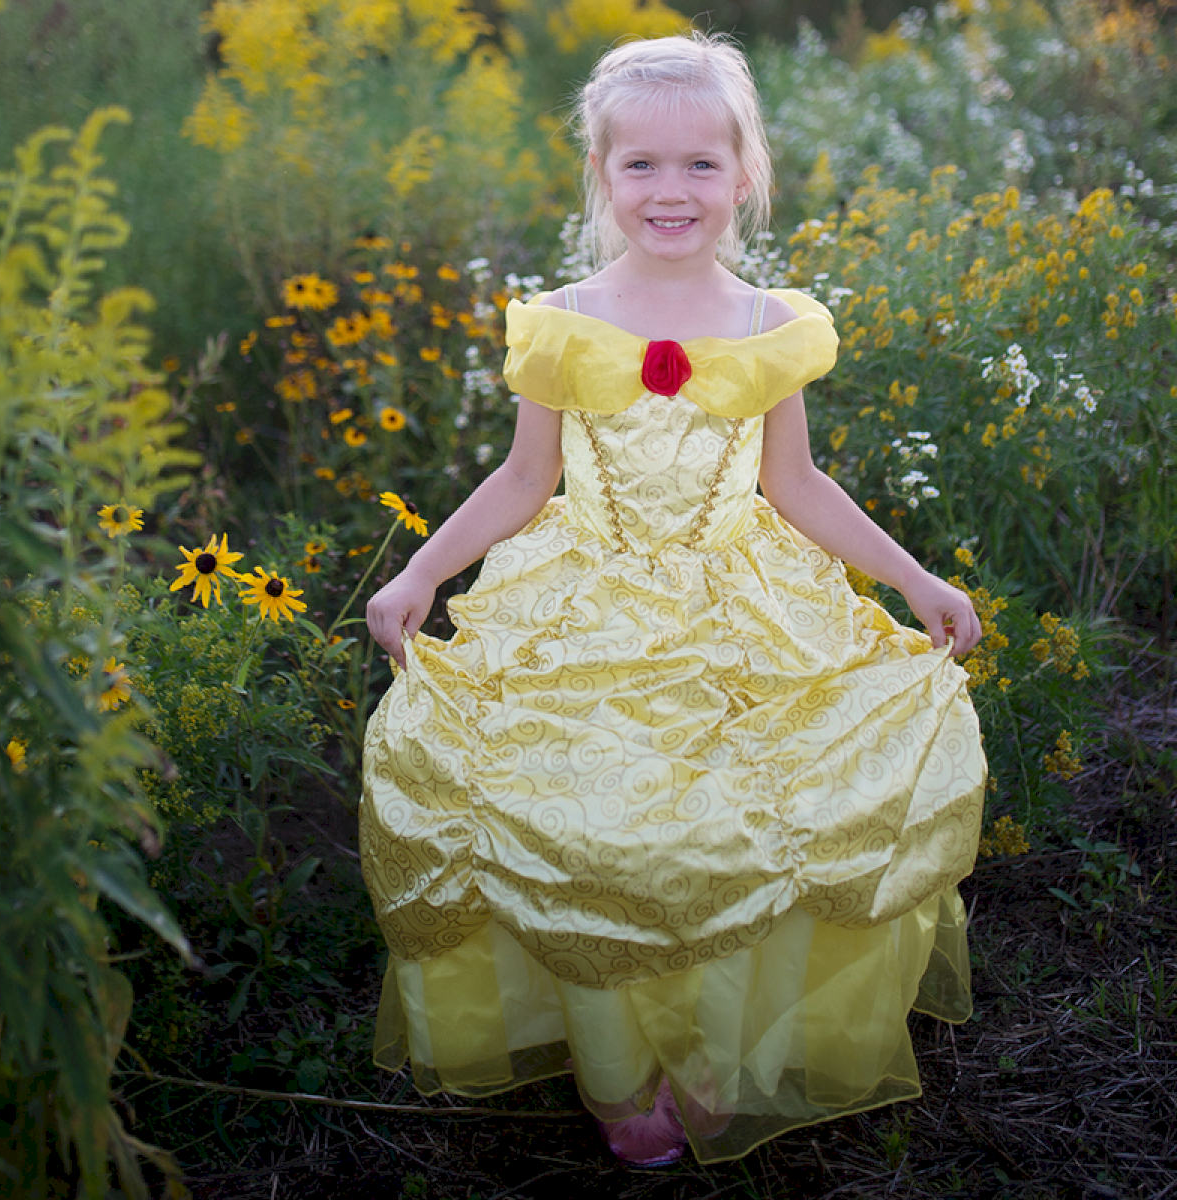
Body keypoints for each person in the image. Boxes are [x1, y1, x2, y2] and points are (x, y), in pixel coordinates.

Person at [361, 31, 986, 1167]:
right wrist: (422, 573)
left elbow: (794, 484)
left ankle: (711, 1040)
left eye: (701, 164)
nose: (671, 190)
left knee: (739, 821)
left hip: (740, 602)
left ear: (747, 173)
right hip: (584, 602)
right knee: (592, 825)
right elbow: (522, 478)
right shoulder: (561, 319)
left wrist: (913, 577)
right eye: (640, 164)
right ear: (600, 173)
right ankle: (618, 1059)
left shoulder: (766, 324)